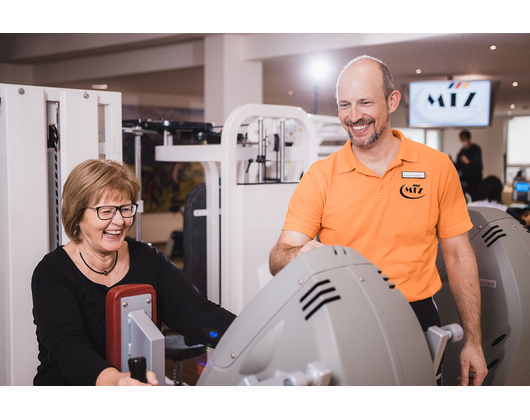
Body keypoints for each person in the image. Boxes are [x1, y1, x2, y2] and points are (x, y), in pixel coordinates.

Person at [269, 55, 488, 386]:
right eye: (345, 105)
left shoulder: (438, 166)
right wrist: (297, 256)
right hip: (343, 317)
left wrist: (473, 340)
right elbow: (279, 256)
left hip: (417, 317)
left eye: (365, 103)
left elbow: (458, 255)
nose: (353, 116)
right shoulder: (320, 176)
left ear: (392, 101)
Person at [31, 159, 236, 386]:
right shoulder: (52, 273)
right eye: (106, 211)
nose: (119, 221)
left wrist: (256, 334)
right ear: (78, 214)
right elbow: (68, 347)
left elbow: (196, 313)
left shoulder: (148, 259)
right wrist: (116, 381)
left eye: (125, 209)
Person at [455, 130, 483, 201]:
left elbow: (478, 164)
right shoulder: (462, 151)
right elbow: (458, 165)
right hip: (465, 181)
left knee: (475, 198)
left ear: (468, 139)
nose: (463, 142)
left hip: (475, 181)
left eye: (464, 140)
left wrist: (467, 161)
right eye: (461, 140)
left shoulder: (476, 149)